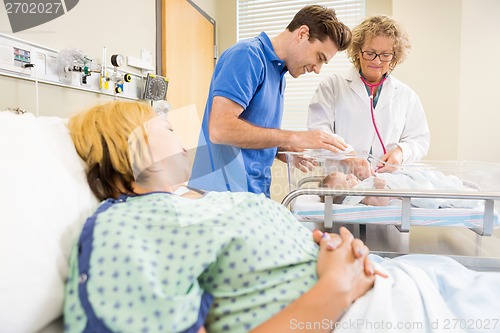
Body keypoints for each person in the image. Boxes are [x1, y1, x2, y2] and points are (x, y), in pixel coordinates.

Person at [65, 101, 500, 333]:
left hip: (393, 282)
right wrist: (334, 286)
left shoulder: (187, 200)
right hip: (368, 311)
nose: (179, 135)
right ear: (129, 148)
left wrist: (342, 253)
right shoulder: (126, 228)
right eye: (163, 128)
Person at [189, 5, 353, 198]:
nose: (317, 69)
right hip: (223, 196)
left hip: (252, 194)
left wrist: (280, 149)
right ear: (302, 34)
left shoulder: (278, 75)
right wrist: (293, 137)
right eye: (319, 57)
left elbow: (249, 131)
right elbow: (220, 129)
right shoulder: (247, 56)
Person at [308, 15, 430, 179]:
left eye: (386, 54)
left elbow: (419, 139)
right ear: (358, 52)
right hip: (343, 182)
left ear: (395, 56)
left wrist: (401, 152)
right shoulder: (332, 86)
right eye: (370, 53)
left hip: (387, 183)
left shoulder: (406, 95)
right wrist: (349, 157)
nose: (377, 61)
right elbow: (319, 131)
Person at [321, 170, 480, 209]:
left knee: (429, 178)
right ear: (345, 194)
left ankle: (452, 186)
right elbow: (381, 203)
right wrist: (381, 187)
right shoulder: (358, 196)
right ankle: (459, 194)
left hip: (401, 179)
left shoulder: (360, 187)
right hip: (402, 187)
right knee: (430, 188)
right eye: (347, 179)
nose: (350, 174)